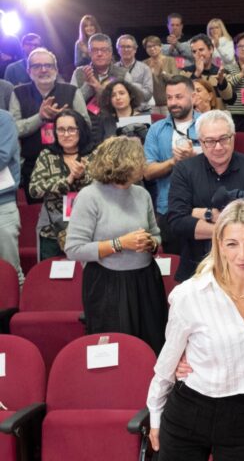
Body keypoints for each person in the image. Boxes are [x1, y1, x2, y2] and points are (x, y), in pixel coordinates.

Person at [147, 199, 244, 459]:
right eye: (232, 244)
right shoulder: (191, 294)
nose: (242, 255)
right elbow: (167, 362)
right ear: (220, 247)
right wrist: (155, 414)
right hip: (188, 411)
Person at [64, 136, 166, 354]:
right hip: (107, 284)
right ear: (126, 162)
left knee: (153, 345)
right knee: (116, 349)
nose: (144, 165)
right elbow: (74, 249)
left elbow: (156, 235)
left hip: (146, 280)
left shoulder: (142, 194)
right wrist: (120, 244)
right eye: (140, 159)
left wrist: (151, 243)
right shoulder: (89, 196)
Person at [167, 110, 244, 281]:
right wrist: (228, 229)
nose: (218, 147)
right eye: (210, 141)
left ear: (233, 137)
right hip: (196, 269)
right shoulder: (184, 170)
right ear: (200, 142)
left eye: (224, 139)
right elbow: (177, 222)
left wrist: (199, 213)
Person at [9, 48, 89, 202]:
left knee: (74, 214)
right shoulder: (19, 92)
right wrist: (40, 117)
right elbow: (14, 129)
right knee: (40, 216)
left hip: (71, 164)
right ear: (28, 70)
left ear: (56, 69)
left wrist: (66, 119)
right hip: (33, 167)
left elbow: (85, 124)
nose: (43, 69)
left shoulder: (72, 91)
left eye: (48, 65)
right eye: (37, 66)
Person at [144, 75, 200, 255]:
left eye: (179, 96)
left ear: (194, 97)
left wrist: (194, 156)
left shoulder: (209, 123)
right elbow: (147, 172)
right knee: (175, 270)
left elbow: (224, 158)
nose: (173, 102)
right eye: (169, 97)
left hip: (205, 208)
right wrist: (173, 161)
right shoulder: (156, 129)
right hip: (168, 209)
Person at [29, 109, 93, 260]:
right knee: (49, 276)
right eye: (61, 130)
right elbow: (34, 189)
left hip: (88, 227)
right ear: (55, 132)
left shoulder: (93, 154)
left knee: (85, 276)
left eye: (71, 129)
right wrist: (67, 180)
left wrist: (83, 176)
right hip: (51, 229)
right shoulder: (47, 155)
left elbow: (103, 187)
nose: (66, 134)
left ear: (80, 130)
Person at [71, 33, 132, 107]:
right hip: (87, 118)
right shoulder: (79, 73)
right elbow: (72, 103)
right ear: (89, 53)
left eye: (104, 50)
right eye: (95, 50)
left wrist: (99, 89)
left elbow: (130, 104)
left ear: (110, 52)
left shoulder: (123, 74)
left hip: (115, 117)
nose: (99, 54)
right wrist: (88, 85)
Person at [0, 109, 22, 285]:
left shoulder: (3, 119)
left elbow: (2, 157)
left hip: (2, 205)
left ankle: (14, 313)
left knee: (11, 274)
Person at [91, 80, 142, 145]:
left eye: (122, 93)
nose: (118, 98)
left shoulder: (142, 119)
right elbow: (98, 147)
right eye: (113, 95)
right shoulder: (105, 121)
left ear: (131, 96)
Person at [115, 34, 154, 112]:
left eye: (128, 47)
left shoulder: (145, 68)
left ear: (135, 50)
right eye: (122, 47)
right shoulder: (113, 69)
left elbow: (148, 94)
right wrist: (139, 87)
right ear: (118, 49)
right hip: (119, 113)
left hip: (141, 112)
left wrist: (131, 85)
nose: (126, 49)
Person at [142, 35, 178, 116]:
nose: (152, 48)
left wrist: (163, 72)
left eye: (154, 45)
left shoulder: (170, 60)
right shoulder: (144, 63)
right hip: (152, 105)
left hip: (168, 104)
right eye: (149, 46)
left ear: (160, 46)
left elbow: (176, 80)